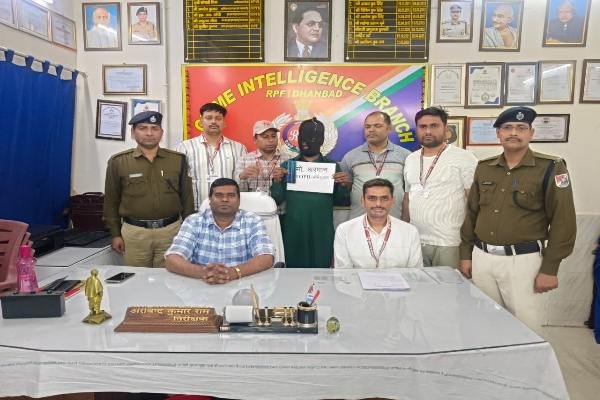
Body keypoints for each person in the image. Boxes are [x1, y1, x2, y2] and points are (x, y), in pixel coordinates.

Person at [459, 106, 576, 330]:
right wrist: (466, 254)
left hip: (523, 262)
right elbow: (472, 213)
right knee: (486, 322)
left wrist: (550, 268)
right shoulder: (484, 168)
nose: (514, 132)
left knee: (526, 325)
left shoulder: (551, 167)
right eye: (507, 127)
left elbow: (563, 219)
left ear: (531, 133)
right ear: (498, 133)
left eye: (521, 128)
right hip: (482, 258)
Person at [103, 111, 194, 267]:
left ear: (161, 132)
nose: (149, 133)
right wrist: (115, 234)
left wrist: (189, 232)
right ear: (133, 132)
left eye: (154, 128)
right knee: (135, 278)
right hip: (134, 234)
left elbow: (187, 198)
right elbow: (111, 200)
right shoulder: (118, 162)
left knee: (170, 277)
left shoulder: (177, 160)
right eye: (143, 128)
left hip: (171, 232)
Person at [402, 107, 477, 268]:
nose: (428, 131)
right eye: (423, 127)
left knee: (449, 284)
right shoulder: (410, 159)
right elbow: (408, 198)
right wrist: (404, 232)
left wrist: (469, 243)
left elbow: (473, 202)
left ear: (446, 128)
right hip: (415, 240)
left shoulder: (464, 157)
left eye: (434, 126)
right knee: (416, 283)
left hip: (450, 242)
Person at [270, 118, 350, 268]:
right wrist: (277, 181)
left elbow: (341, 201)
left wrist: (343, 185)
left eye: (311, 138)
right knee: (294, 272)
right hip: (294, 229)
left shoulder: (332, 167)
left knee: (321, 272)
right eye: (302, 137)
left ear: (321, 141)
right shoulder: (289, 166)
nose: (305, 142)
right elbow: (277, 200)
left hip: (322, 229)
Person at [165, 178, 274, 285]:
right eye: (218, 195)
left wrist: (234, 272)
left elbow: (266, 257)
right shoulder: (193, 221)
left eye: (231, 195)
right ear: (210, 199)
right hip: (200, 285)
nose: (225, 199)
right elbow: (172, 259)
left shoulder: (253, 221)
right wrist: (204, 273)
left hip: (242, 285)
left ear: (239, 200)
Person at [335, 178, 422, 269]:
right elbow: (343, 273)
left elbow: (415, 273)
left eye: (384, 198)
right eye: (372, 198)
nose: (378, 204)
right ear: (362, 201)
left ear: (392, 201)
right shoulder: (344, 231)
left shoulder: (410, 232)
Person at [176, 103, 247, 211]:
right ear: (201, 121)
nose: (213, 121)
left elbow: (243, 183)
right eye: (209, 118)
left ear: (224, 123)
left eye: (218, 118)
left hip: (229, 211)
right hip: (195, 210)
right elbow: (178, 181)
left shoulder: (239, 149)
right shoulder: (185, 147)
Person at [340, 111, 411, 220]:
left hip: (394, 222)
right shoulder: (350, 157)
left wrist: (406, 220)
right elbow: (345, 190)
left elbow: (409, 193)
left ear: (389, 128)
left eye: (377, 126)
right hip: (359, 223)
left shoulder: (405, 156)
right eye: (367, 127)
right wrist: (341, 184)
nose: (371, 130)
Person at [235, 120, 290, 195]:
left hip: (279, 202)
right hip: (253, 202)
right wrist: (242, 177)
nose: (271, 140)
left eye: (273, 136)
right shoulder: (244, 160)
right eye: (265, 137)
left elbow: (292, 191)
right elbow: (237, 193)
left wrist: (287, 176)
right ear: (255, 140)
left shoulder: (288, 159)